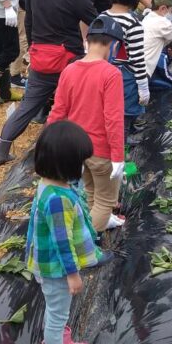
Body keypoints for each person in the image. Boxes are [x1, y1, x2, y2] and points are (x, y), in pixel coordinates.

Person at [0, 0, 101, 165]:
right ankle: (62, 151)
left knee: (29, 105)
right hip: (68, 60)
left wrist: (34, 46)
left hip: (41, 56)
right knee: (72, 107)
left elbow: (29, 20)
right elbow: (97, 22)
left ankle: (0, 150)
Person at [26, 121, 99, 344]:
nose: (82, 167)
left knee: (59, 310)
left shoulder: (50, 184)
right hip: (56, 268)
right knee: (57, 313)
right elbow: (62, 242)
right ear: (65, 163)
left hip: (52, 266)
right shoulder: (57, 199)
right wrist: (72, 274)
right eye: (80, 161)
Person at [48, 16, 126, 233]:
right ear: (112, 44)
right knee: (105, 202)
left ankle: (92, 229)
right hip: (101, 151)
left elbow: (58, 111)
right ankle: (86, 244)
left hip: (77, 149)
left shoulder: (69, 70)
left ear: (88, 41)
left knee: (91, 193)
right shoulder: (111, 74)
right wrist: (118, 157)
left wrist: (48, 144)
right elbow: (113, 118)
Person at [102, 0, 150, 132]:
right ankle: (120, 153)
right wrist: (143, 87)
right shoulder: (133, 24)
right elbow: (137, 59)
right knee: (122, 120)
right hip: (124, 80)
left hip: (101, 76)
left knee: (106, 117)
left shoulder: (101, 17)